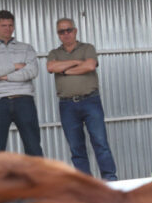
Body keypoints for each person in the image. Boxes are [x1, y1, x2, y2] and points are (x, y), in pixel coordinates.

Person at [46, 18, 117, 181]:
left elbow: (90, 66)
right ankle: (86, 184)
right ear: (58, 34)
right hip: (67, 105)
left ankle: (110, 180)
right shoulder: (54, 53)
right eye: (61, 32)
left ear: (75, 30)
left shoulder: (87, 48)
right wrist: (77, 62)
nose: (65, 34)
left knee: (100, 143)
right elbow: (51, 67)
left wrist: (64, 70)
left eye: (68, 30)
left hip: (90, 101)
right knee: (76, 148)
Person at [0, 9, 43, 156]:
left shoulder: (26, 48)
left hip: (24, 100)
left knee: (33, 146)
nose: (8, 29)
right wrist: (15, 66)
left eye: (10, 25)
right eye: (3, 25)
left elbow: (32, 72)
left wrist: (5, 76)